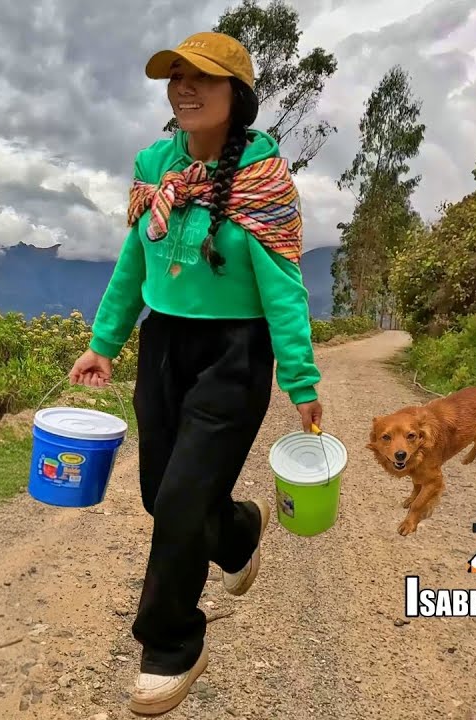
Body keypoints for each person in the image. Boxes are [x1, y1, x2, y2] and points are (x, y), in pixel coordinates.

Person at [68, 31, 324, 715]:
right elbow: (133, 262)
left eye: (201, 78)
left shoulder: (264, 180)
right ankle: (239, 531)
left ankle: (171, 642)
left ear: (235, 95)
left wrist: (302, 384)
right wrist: (105, 341)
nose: (183, 88)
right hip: (163, 346)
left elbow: (284, 288)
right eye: (175, 77)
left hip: (235, 355)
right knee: (160, 493)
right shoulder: (156, 164)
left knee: (180, 502)